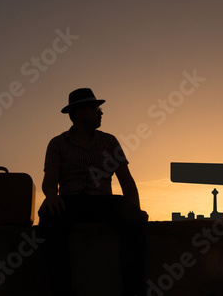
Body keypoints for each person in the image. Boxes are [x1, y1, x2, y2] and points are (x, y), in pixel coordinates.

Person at [38, 88, 148, 296]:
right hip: (69, 202)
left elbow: (126, 182)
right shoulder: (57, 144)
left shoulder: (109, 141)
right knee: (47, 219)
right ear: (79, 113)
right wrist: (51, 195)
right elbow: (49, 182)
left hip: (103, 201)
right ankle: (61, 290)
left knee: (135, 222)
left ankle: (134, 291)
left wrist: (136, 211)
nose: (100, 112)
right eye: (95, 108)